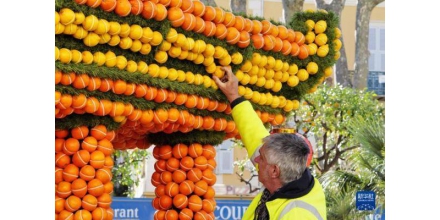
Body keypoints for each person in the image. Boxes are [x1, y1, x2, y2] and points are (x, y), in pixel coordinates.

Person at [213, 66, 327, 220]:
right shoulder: (286, 179)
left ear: (274, 171)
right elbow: (254, 134)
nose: (256, 160)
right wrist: (234, 96)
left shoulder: (297, 215)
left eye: (262, 158)